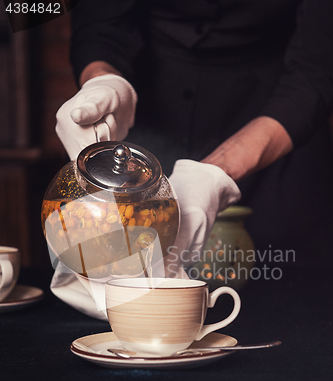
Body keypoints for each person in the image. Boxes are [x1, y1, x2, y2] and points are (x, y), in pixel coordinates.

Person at [56, 0, 333, 271]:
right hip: (147, 109)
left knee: (289, 277)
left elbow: (316, 67)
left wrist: (213, 172)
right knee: (123, 265)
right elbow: (99, 22)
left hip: (278, 117)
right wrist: (103, 80)